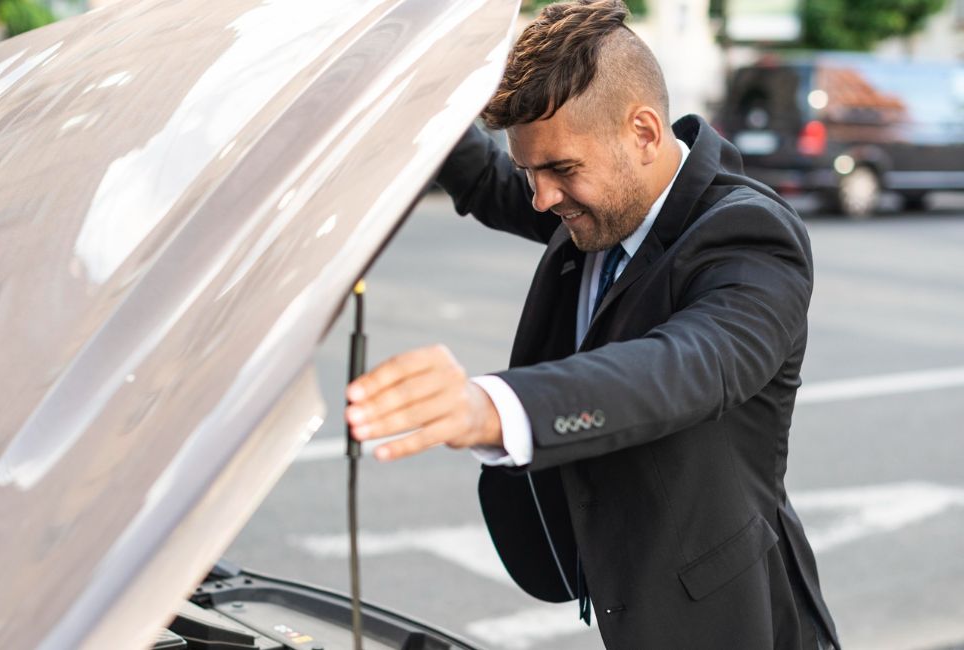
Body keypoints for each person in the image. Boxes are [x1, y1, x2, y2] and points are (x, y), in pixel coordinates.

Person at [343, 0, 839, 647]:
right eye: (530, 171)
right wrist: (410, 84)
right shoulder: (600, 197)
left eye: (560, 170)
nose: (542, 198)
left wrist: (494, 407)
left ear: (643, 132)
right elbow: (488, 181)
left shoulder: (751, 235)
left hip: (731, 621)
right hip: (625, 594)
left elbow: (685, 364)